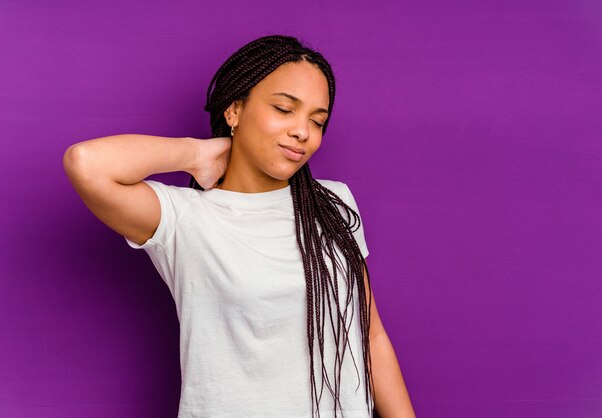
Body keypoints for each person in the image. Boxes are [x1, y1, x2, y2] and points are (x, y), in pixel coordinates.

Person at [63, 34, 415, 418]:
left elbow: (369, 334)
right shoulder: (184, 219)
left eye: (318, 121)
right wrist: (197, 153)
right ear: (234, 110)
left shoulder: (333, 203)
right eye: (284, 109)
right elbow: (86, 163)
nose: (303, 132)